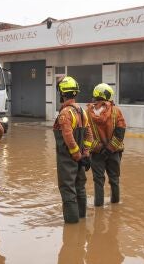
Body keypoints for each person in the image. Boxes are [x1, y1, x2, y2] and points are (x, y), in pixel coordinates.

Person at [53, 76, 93, 223]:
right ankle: (82, 219)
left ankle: (72, 224)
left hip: (68, 159)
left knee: (68, 189)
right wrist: (86, 154)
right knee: (80, 187)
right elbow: (89, 134)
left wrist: (76, 154)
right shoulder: (82, 111)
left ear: (62, 93)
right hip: (81, 158)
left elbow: (68, 136)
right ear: (76, 93)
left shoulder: (65, 113)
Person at [86, 83, 126, 206]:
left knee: (98, 181)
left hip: (96, 153)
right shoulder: (116, 111)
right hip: (114, 152)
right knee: (114, 179)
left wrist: (99, 148)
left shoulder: (87, 112)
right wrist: (109, 149)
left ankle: (99, 207)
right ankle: (115, 205)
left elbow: (86, 134)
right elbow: (120, 132)